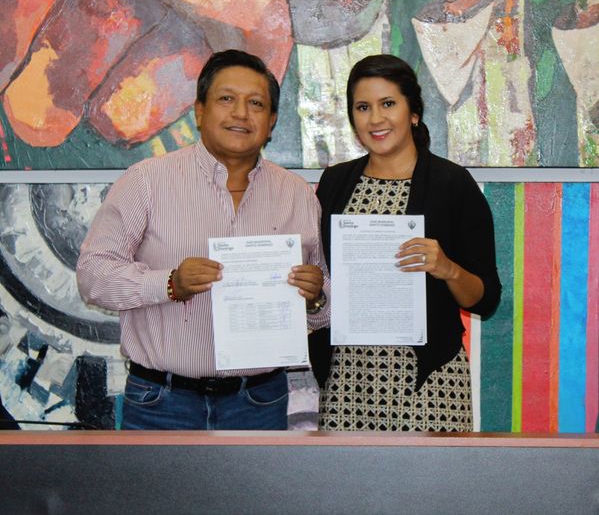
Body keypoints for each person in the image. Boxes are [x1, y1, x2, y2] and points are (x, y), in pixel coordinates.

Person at [76, 49, 329, 431]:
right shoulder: (146, 181)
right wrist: (169, 284)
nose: (241, 113)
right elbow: (93, 276)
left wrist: (315, 297)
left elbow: (324, 301)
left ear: (272, 121)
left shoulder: (297, 194)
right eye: (226, 99)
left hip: (260, 402)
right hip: (161, 401)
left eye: (256, 103)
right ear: (199, 111)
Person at [311, 54, 501, 432]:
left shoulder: (452, 184)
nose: (375, 119)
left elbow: (485, 299)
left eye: (388, 104)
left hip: (429, 380)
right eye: (363, 107)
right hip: (347, 380)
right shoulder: (334, 182)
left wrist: (447, 268)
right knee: (342, 473)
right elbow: (323, 278)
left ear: (413, 112)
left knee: (430, 474)